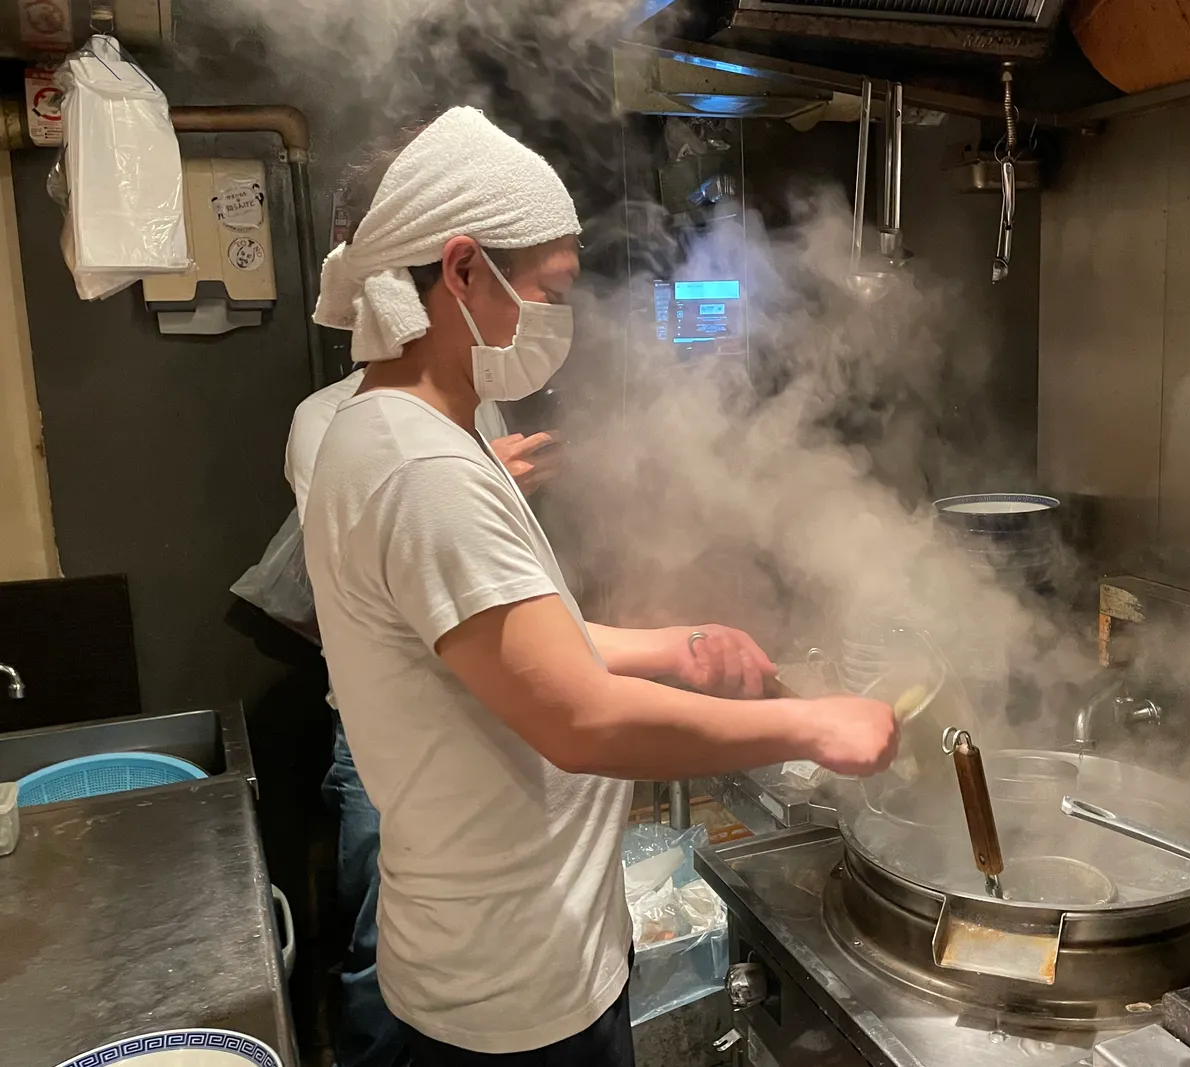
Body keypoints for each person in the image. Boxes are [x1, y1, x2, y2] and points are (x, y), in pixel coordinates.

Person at [300, 106, 899, 1067]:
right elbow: (579, 721)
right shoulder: (423, 470)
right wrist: (814, 724)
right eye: (545, 289)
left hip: (508, 961)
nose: (553, 319)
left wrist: (676, 645)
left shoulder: (399, 435)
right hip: (508, 1003)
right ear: (460, 270)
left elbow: (520, 648)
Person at [287, 363, 560, 1067]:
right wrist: (473, 484)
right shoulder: (329, 421)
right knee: (379, 942)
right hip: (394, 725)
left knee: (472, 942)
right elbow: (367, 563)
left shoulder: (481, 406)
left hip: (482, 713)